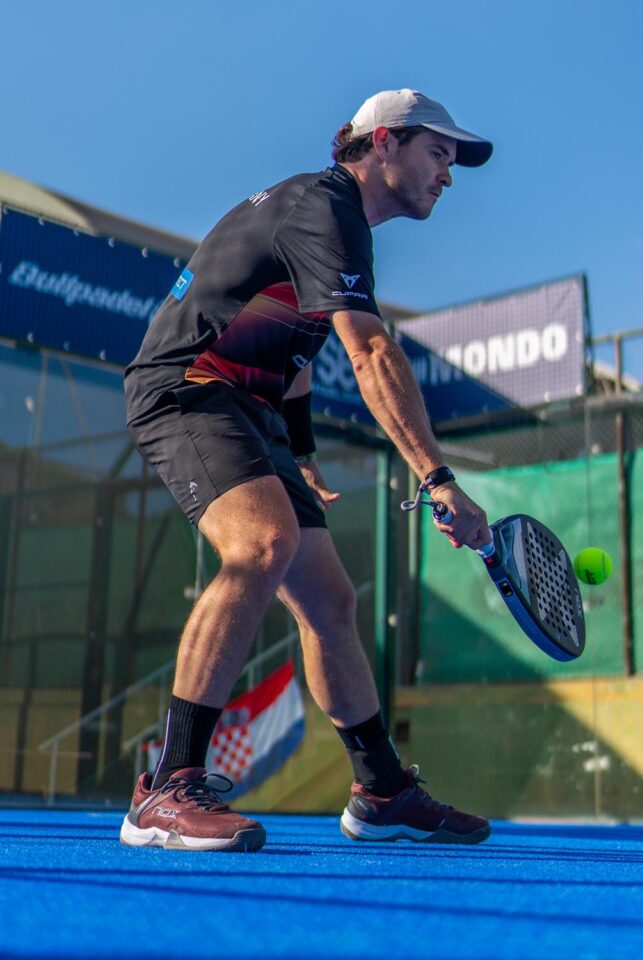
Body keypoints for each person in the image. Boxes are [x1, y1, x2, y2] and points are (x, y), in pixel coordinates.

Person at [120, 89, 494, 852]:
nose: (448, 174)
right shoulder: (323, 207)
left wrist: (301, 452)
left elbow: (292, 357)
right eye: (437, 153)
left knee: (330, 599)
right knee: (262, 543)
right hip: (187, 388)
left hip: (248, 410)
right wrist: (437, 477)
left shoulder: (336, 223)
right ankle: (164, 788)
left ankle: (382, 791)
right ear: (382, 144)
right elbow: (372, 352)